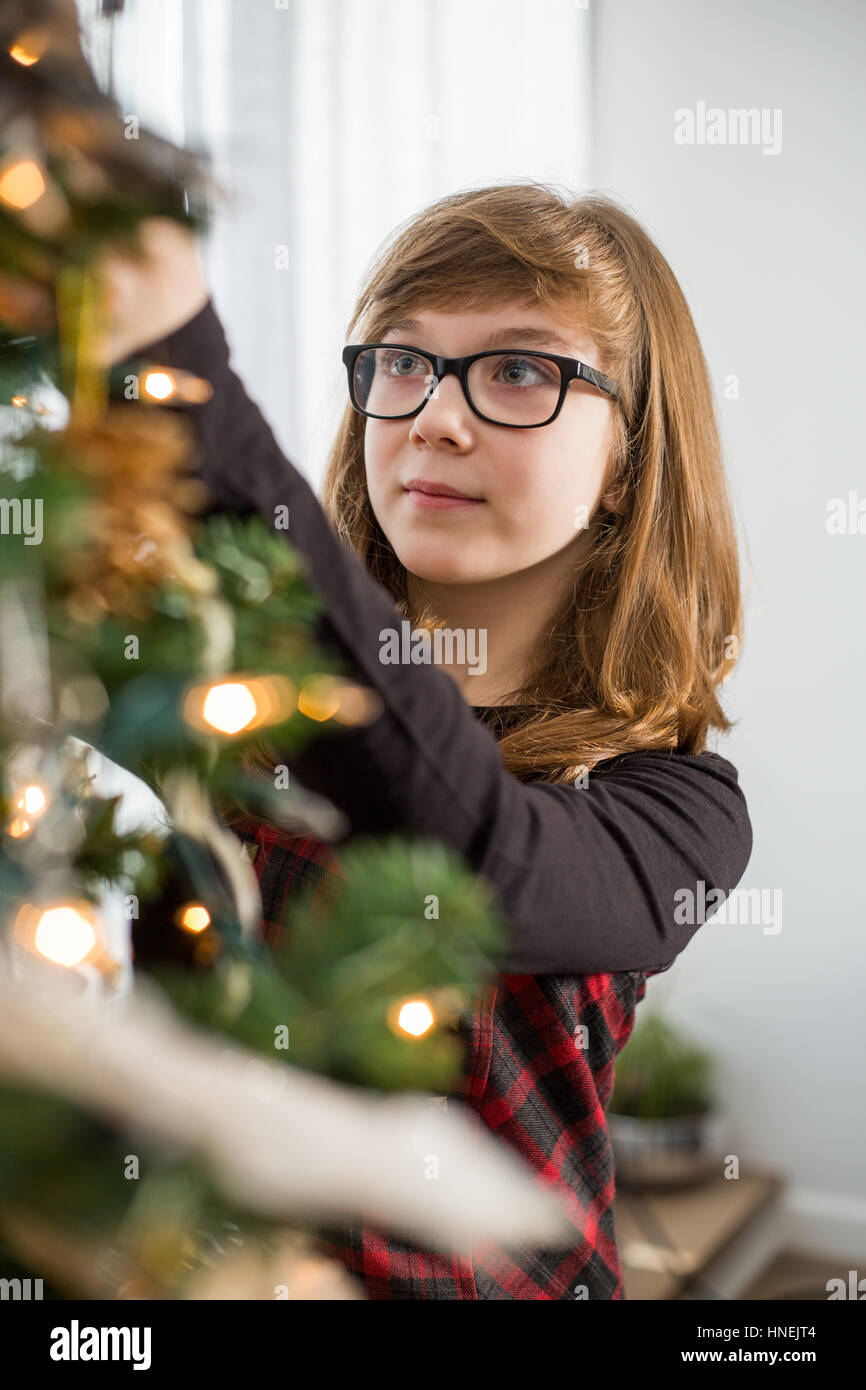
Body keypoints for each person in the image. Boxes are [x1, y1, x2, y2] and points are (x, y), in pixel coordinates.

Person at [98, 183, 753, 1300]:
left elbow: (470, 842)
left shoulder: (676, 811)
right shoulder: (231, 678)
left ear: (627, 470)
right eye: (402, 361)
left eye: (517, 371)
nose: (431, 416)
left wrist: (175, 358)